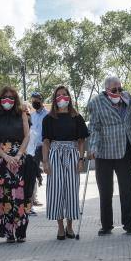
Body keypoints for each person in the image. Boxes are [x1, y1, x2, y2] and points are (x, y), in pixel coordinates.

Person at [86, 75, 131, 235]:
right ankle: (106, 225)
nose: (118, 92)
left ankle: (129, 224)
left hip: (126, 150)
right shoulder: (96, 102)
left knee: (127, 190)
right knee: (105, 191)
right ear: (106, 90)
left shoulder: (128, 98)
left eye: (120, 89)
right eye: (114, 90)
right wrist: (92, 147)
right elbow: (94, 127)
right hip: (104, 151)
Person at [41, 86, 89, 239]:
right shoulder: (49, 118)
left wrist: (81, 159)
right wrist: (45, 162)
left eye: (64, 94)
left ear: (69, 97)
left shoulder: (77, 117)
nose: (62, 97)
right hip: (55, 154)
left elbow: (81, 141)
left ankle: (70, 226)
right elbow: (46, 142)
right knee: (55, 191)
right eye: (59, 95)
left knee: (71, 190)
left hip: (73, 154)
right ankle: (60, 227)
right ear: (55, 98)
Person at [0, 87, 31, 242]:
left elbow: (27, 137)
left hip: (18, 160)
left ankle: (20, 232)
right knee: (2, 196)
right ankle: (7, 233)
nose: (8, 100)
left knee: (18, 196)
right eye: (5, 97)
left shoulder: (22, 114)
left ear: (16, 99)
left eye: (11, 98)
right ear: (0, 99)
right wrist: (5, 156)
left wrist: (18, 154)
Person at [29, 92, 48, 208]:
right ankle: (33, 198)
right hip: (34, 149)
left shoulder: (49, 114)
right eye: (32, 100)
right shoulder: (32, 116)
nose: (34, 102)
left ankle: (52, 197)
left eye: (36, 100)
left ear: (41, 100)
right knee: (32, 173)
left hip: (46, 147)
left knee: (50, 170)